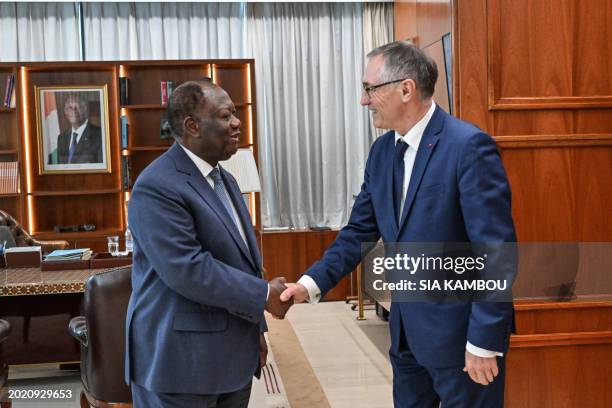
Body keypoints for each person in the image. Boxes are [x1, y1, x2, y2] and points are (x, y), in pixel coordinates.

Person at [281, 41, 516, 407]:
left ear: (405, 89)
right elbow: (358, 231)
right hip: (406, 336)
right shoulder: (382, 152)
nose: (364, 101)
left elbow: (496, 251)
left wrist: (484, 341)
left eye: (369, 89)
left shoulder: (468, 147)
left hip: (462, 343)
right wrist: (310, 284)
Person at [125, 79, 292, 407]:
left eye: (236, 114)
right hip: (180, 366)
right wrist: (263, 296)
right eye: (226, 115)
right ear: (192, 126)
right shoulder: (157, 186)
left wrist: (255, 330)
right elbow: (187, 269)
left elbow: (242, 262)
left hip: (231, 361)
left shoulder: (225, 179)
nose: (237, 122)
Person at [52, 94, 102, 164]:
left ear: (85, 110)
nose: (74, 111)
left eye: (78, 107)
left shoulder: (100, 135)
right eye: (70, 108)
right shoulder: (61, 138)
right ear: (65, 112)